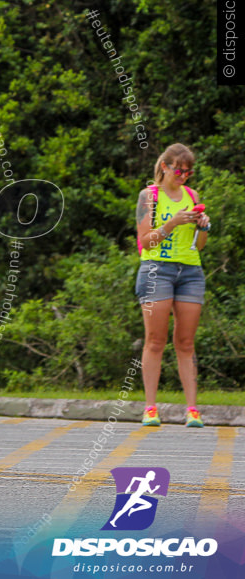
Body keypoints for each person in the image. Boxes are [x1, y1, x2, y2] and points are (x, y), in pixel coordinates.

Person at [135, 143, 211, 427]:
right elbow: (145, 242)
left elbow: (199, 246)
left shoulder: (192, 196)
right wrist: (172, 223)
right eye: (179, 170)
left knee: (186, 342)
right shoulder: (149, 196)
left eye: (189, 172)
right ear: (165, 167)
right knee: (155, 340)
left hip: (190, 270)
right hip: (157, 270)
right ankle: (150, 408)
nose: (184, 176)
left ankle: (192, 410)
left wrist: (203, 227)